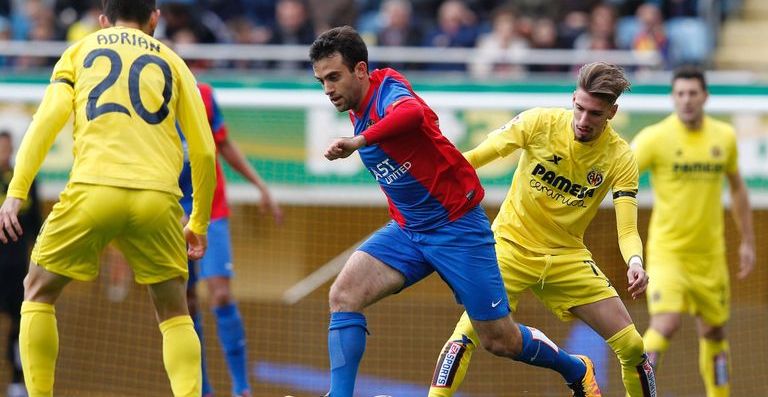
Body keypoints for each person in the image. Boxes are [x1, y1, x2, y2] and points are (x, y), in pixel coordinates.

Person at [310, 25, 602, 397]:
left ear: (362, 70)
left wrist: (359, 140)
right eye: (322, 81)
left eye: (334, 77)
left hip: (457, 229)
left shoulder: (388, 91)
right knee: (344, 294)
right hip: (409, 231)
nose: (328, 89)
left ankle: (576, 368)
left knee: (500, 340)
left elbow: (413, 114)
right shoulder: (356, 106)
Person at [0, 0, 217, 397]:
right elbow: (205, 152)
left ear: (103, 20)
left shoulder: (79, 51)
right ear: (154, 18)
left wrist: (16, 192)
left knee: (37, 291)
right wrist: (200, 223)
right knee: (174, 311)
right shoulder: (174, 62)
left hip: (93, 190)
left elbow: (44, 124)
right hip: (158, 198)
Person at [427, 62, 657, 397]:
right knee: (464, 338)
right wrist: (425, 179)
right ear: (572, 98)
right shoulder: (539, 122)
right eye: (579, 108)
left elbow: (626, 230)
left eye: (595, 113)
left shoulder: (620, 157)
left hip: (567, 257)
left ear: (612, 112)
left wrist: (635, 262)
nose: (583, 121)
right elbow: (473, 159)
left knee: (634, 347)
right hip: (509, 248)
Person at [632, 66, 756, 397]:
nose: (686, 100)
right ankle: (637, 390)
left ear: (705, 96)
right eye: (680, 94)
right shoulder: (655, 138)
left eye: (692, 93)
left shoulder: (724, 137)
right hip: (668, 253)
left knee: (714, 330)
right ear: (673, 98)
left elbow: (738, 187)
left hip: (711, 255)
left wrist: (747, 241)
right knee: (666, 323)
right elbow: (621, 172)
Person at [179, 83, 284, 397]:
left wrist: (260, 186)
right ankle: (203, 389)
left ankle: (242, 388)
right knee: (185, 302)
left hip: (211, 208)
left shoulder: (204, 95)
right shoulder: (143, 98)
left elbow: (223, 144)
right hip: (169, 209)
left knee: (220, 294)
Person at [0, 131, 41, 397]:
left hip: (17, 267)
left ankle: (18, 381)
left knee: (21, 324)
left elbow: (36, 222)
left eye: (6, 147)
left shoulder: (23, 181)